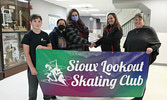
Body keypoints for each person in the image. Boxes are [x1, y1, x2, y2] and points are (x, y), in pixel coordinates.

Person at [123, 13, 161, 100]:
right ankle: (136, 95)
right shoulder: (131, 33)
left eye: (140, 19)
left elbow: (157, 44)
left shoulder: (149, 30)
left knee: (141, 79)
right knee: (133, 79)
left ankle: (139, 98)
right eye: (136, 19)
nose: (137, 21)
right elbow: (126, 47)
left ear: (143, 21)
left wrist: (151, 48)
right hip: (132, 60)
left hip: (143, 60)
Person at [21, 14, 52, 100]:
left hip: (45, 67)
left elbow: (50, 48)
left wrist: (43, 47)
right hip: (33, 67)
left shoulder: (45, 35)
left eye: (39, 21)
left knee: (47, 92)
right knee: (32, 93)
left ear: (41, 22)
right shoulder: (28, 36)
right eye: (35, 21)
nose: (37, 23)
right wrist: (32, 68)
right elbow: (26, 53)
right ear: (31, 23)